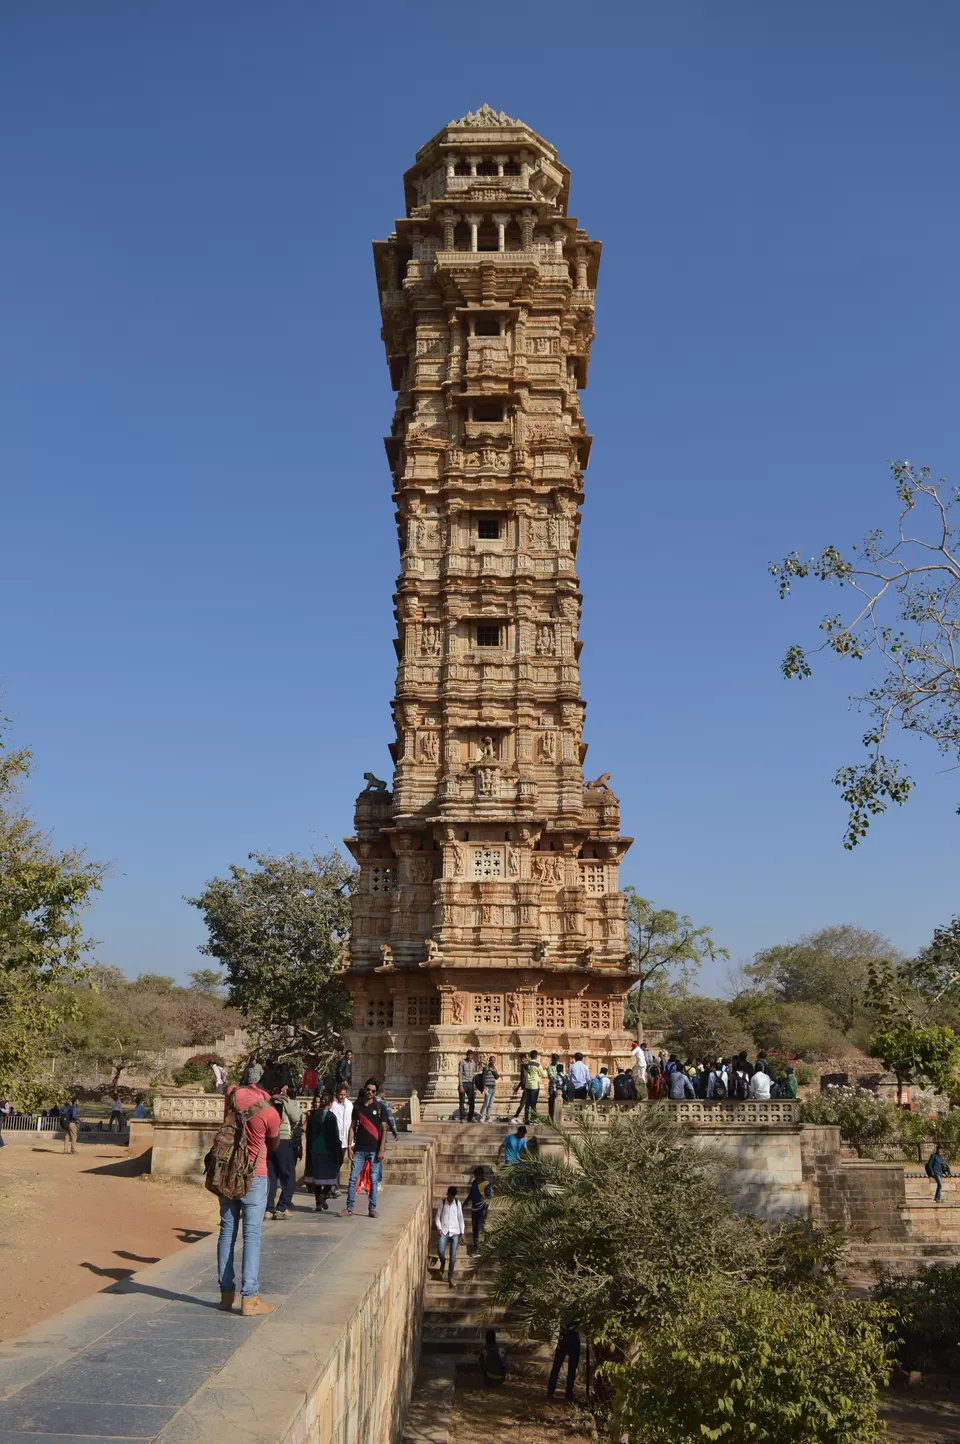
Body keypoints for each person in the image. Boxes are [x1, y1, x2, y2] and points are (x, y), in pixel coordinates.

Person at [216, 1072, 280, 1316]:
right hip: (255, 1174)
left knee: (226, 1232)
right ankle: (249, 1298)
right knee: (251, 1236)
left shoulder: (232, 1093)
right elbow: (273, 1145)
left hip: (228, 1171)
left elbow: (227, 1121)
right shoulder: (270, 1112)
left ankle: (225, 1294)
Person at [341, 1079, 387, 1218]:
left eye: (373, 1091)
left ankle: (372, 1208)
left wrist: (382, 1149)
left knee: (373, 1180)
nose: (370, 1093)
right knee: (353, 1178)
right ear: (365, 1089)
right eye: (368, 1090)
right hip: (359, 1148)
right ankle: (349, 1208)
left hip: (374, 1149)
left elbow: (384, 1129)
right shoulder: (358, 1107)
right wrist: (349, 1146)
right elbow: (352, 1127)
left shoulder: (380, 1108)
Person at [266, 1069, 302, 1220]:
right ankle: (281, 1207)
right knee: (289, 1176)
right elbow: (296, 1116)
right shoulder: (284, 1100)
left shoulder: (267, 1099)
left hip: (268, 1141)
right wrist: (285, 1101)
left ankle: (268, 1209)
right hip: (283, 1140)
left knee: (272, 1176)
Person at [306, 1090, 342, 1210]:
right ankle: (323, 1195)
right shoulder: (331, 1117)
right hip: (327, 1151)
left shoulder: (313, 1115)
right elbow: (335, 1136)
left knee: (317, 1178)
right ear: (330, 1104)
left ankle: (318, 1203)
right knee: (330, 1178)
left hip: (315, 1150)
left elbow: (308, 1134)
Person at [435, 1185, 465, 1287]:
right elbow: (437, 1217)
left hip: (455, 1232)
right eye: (450, 1196)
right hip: (444, 1231)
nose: (451, 1199)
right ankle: (443, 1262)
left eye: (453, 1197)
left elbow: (460, 1218)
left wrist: (462, 1232)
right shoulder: (442, 1203)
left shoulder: (457, 1204)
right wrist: (439, 1228)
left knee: (453, 1256)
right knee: (440, 1250)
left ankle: (450, 1276)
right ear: (447, 1194)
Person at [547, 1320, 581, 1402]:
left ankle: (551, 1392)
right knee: (571, 1367)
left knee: (557, 1366)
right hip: (573, 1336)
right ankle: (568, 1394)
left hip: (563, 1335)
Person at [329, 1082, 353, 1197]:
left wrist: (351, 1141)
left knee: (339, 1162)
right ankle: (334, 1187)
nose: (342, 1097)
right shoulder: (332, 1105)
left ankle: (333, 1185)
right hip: (334, 1139)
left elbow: (351, 1122)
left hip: (344, 1139)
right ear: (336, 1094)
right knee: (334, 1163)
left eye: (344, 1094)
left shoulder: (349, 1105)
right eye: (340, 1095)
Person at [514, 1050, 546, 1123]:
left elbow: (523, 1077)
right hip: (535, 1086)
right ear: (536, 1056)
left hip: (527, 1086)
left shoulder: (525, 1064)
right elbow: (544, 1075)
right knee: (533, 1103)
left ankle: (526, 1118)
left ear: (530, 1056)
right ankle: (533, 1118)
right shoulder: (538, 1065)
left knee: (527, 1104)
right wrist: (544, 1069)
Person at [467, 1166, 492, 1256]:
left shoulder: (486, 1184)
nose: (476, 1177)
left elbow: (488, 1198)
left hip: (481, 1211)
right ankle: (476, 1247)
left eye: (477, 1176)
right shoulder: (474, 1182)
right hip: (474, 1210)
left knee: (480, 1229)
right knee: (474, 1229)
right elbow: (471, 1194)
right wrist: (465, 1202)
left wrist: (485, 1209)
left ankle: (480, 1249)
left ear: (481, 1175)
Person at [458, 1049, 478, 1123]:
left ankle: (470, 1117)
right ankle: (463, 1117)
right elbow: (460, 1073)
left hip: (470, 1084)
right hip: (463, 1083)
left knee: (472, 1101)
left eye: (471, 1055)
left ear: (472, 1056)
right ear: (466, 1055)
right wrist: (461, 1085)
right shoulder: (462, 1062)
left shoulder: (473, 1063)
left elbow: (473, 1074)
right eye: (469, 1055)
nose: (470, 1057)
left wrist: (475, 1085)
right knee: (462, 1101)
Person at [479, 1056, 499, 1122]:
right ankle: (481, 1116)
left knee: (490, 1104)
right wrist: (484, 1086)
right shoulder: (486, 1067)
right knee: (486, 1103)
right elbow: (483, 1077)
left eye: (494, 1060)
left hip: (493, 1087)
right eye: (492, 1060)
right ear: (489, 1060)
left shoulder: (494, 1068)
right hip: (487, 1087)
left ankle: (488, 1117)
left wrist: (493, 1071)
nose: (493, 1061)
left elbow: (497, 1077)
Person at [547, 1055, 565, 1121]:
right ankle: (551, 1117)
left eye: (557, 1060)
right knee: (551, 1101)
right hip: (552, 1086)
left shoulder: (558, 1066)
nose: (557, 1061)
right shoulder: (550, 1067)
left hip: (559, 1087)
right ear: (553, 1060)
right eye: (556, 1060)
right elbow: (551, 1076)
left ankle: (558, 1116)